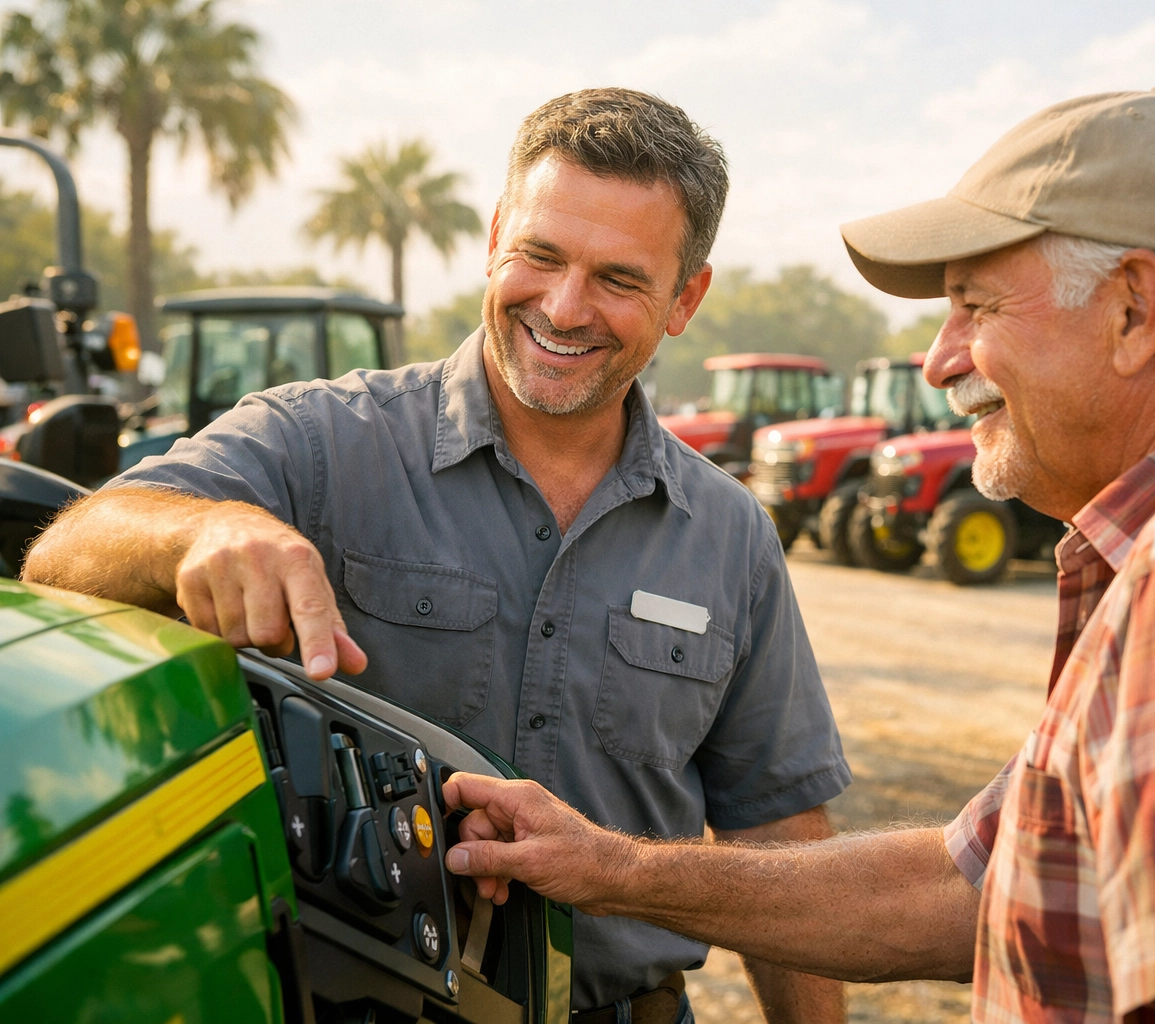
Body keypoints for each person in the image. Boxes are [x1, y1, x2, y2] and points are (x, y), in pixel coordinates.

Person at [434, 89, 1155, 1023]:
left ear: (1135, 309)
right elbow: (979, 880)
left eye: (973, 304)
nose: (939, 357)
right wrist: (611, 867)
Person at [23, 88, 851, 1024]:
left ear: (685, 298)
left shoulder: (732, 534)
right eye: (540, 255)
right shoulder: (322, 441)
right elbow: (67, 550)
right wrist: (198, 531)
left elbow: (780, 833)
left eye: (619, 278)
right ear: (496, 234)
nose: (564, 307)